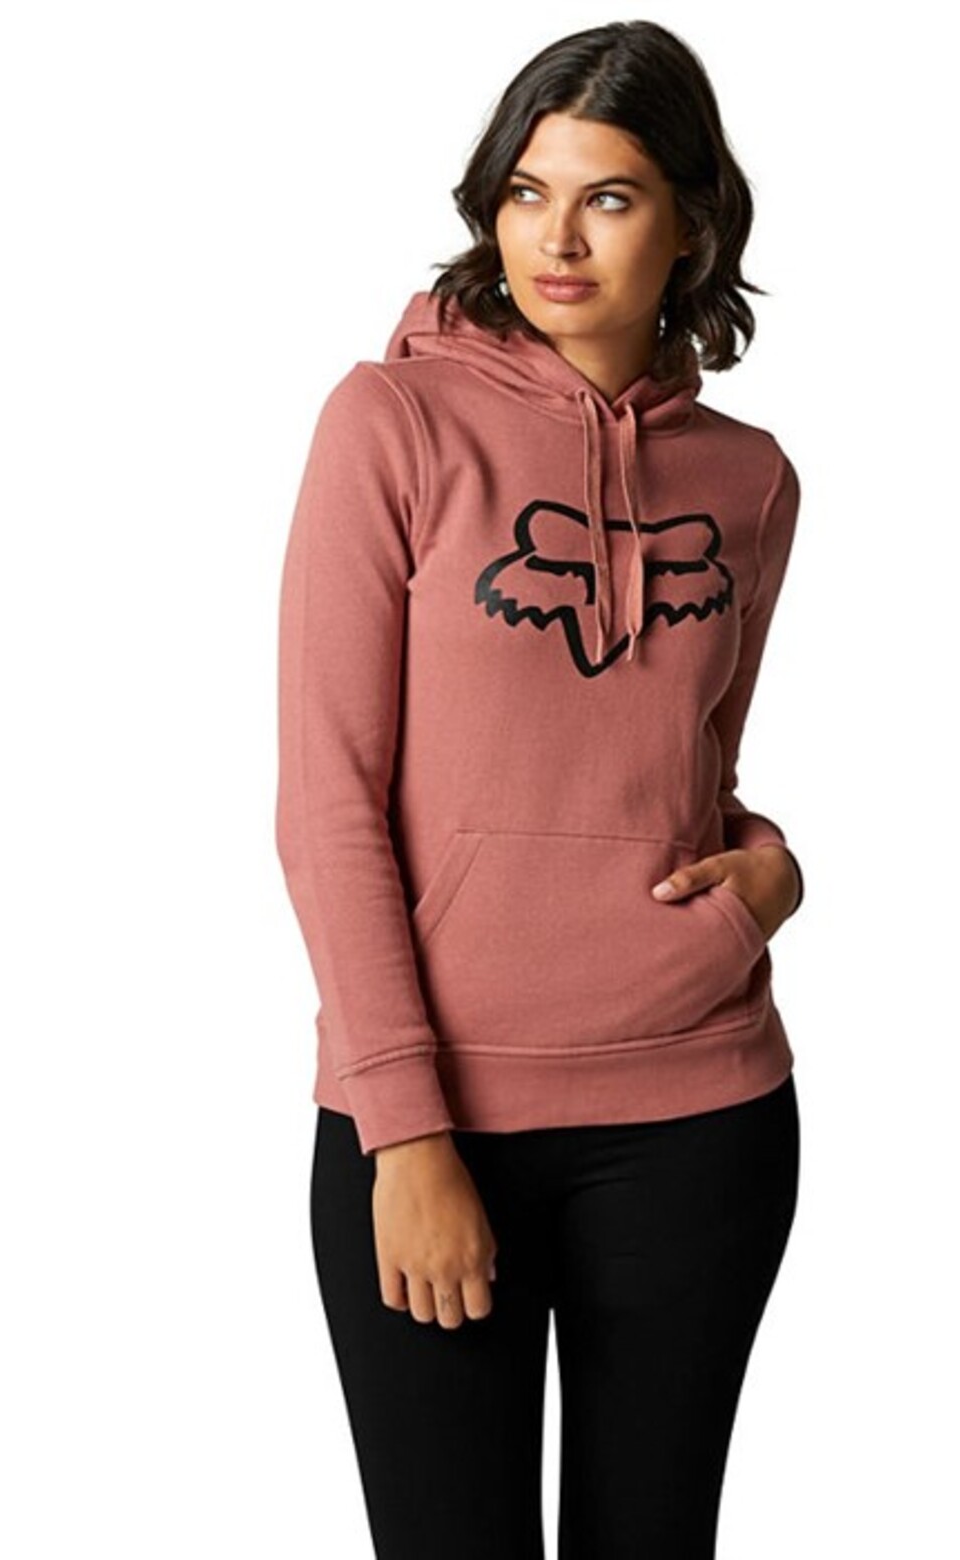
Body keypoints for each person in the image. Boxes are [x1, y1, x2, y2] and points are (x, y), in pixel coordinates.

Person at [274, 21, 807, 1559]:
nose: (556, 239)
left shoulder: (751, 479)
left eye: (610, 198)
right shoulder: (390, 424)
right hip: (440, 1115)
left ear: (691, 222)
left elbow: (691, 766)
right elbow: (328, 800)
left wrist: (768, 868)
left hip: (702, 1112)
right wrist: (404, 1131)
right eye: (527, 192)